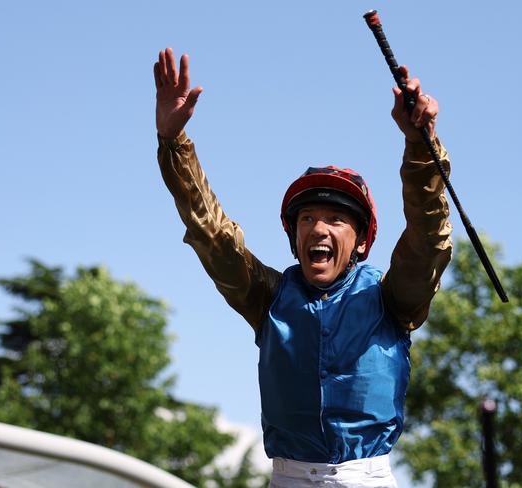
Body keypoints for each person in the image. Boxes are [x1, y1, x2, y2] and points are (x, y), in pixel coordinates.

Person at [154, 47, 452, 488]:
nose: (318, 229)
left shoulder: (391, 299)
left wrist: (419, 143)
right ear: (294, 239)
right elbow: (212, 235)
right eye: (307, 219)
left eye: (335, 220)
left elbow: (427, 241)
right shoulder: (268, 296)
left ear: (363, 242)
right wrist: (174, 143)